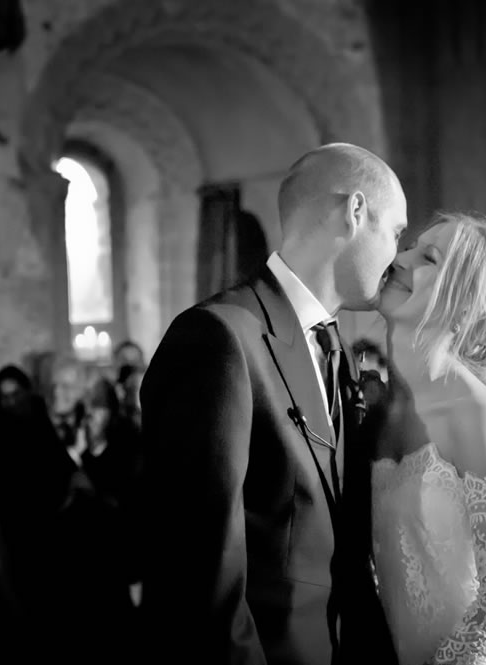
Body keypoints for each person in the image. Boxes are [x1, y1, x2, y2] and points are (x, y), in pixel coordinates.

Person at [140, 143, 406, 664]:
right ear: (356, 212)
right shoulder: (219, 338)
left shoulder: (338, 351)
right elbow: (200, 566)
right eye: (396, 231)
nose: (398, 254)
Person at [370, 212, 486, 664]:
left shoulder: (479, 414)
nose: (399, 258)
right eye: (409, 245)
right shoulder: (381, 408)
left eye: (427, 257)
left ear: (468, 306)